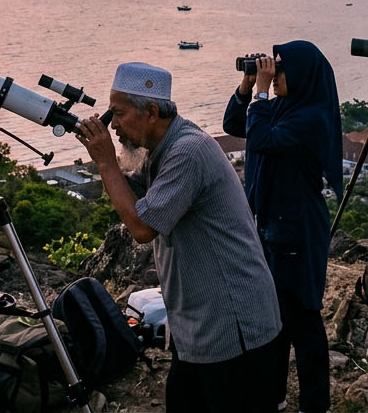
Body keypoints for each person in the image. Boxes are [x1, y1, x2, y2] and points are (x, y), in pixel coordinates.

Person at [76, 62, 283, 413]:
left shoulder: (188, 152)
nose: (114, 125)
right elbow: (135, 193)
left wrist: (107, 162)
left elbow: (142, 228)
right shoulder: (162, 152)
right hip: (197, 328)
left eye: (120, 114)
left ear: (152, 112)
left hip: (233, 327)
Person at [222, 41, 342, 413]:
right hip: (272, 224)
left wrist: (259, 91)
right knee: (275, 320)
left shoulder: (311, 118)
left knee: (303, 319)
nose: (273, 79)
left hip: (297, 228)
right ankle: (273, 396)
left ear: (302, 75)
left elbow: (260, 139)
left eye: (280, 71)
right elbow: (233, 125)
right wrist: (247, 86)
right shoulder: (284, 108)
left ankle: (314, 405)